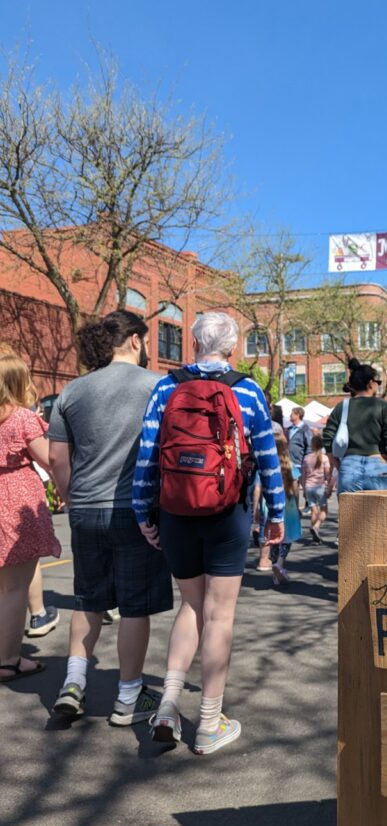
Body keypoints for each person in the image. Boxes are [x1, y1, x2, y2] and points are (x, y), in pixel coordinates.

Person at [133, 311, 285, 755]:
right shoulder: (249, 390)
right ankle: (209, 722)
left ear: (194, 344)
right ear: (232, 347)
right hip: (228, 512)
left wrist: (144, 512)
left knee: (190, 606)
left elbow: (147, 455)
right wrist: (275, 512)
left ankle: (168, 706)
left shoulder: (166, 386)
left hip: (177, 510)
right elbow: (267, 459)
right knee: (220, 615)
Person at [48, 313, 170, 723]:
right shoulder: (157, 387)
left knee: (87, 599)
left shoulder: (73, 391)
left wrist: (71, 500)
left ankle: (73, 683)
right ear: (135, 341)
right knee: (135, 607)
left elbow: (56, 459)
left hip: (85, 508)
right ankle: (128, 698)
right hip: (137, 512)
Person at [0, 353, 61, 682]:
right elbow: (49, 457)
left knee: (2, 587)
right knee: (14, 589)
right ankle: (8, 659)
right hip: (15, 503)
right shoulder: (22, 418)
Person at [322, 358, 387, 493]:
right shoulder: (384, 406)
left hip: (349, 465)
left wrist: (338, 465)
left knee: (350, 513)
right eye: (378, 382)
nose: (378, 385)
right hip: (378, 462)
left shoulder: (342, 407)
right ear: (370, 383)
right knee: (381, 513)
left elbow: (327, 438)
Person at [271, 435, 302, 584]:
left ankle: (275, 570)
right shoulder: (290, 465)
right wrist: (297, 503)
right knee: (286, 537)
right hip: (288, 503)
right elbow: (296, 488)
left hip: (271, 502)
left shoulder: (269, 463)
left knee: (274, 536)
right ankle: (280, 563)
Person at [301, 435, 330, 542]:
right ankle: (316, 526)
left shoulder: (306, 458)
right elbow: (327, 473)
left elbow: (303, 475)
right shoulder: (325, 458)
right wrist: (329, 484)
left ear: (312, 445)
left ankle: (314, 535)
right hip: (320, 487)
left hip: (308, 486)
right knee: (324, 510)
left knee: (314, 510)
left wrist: (304, 487)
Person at [286, 406, 313, 478]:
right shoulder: (289, 429)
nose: (290, 416)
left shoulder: (305, 429)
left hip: (298, 463)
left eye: (292, 414)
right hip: (288, 462)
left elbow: (309, 446)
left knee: (295, 482)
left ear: (297, 415)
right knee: (289, 484)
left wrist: (306, 461)